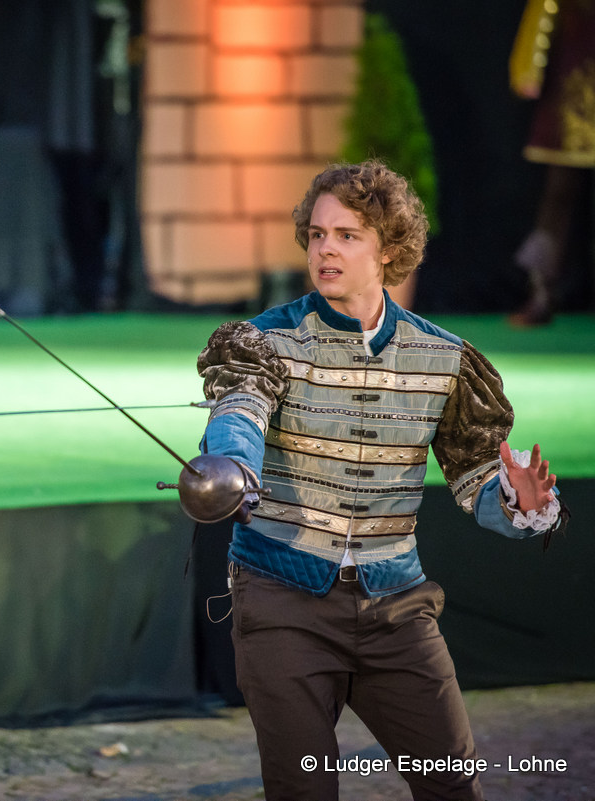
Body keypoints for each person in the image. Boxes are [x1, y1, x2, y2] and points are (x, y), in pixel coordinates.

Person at [196, 160, 566, 800]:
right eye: (317, 234)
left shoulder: (442, 356)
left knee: (453, 785)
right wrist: (233, 463)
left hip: (397, 608)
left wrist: (515, 500)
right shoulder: (263, 342)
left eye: (347, 235)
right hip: (283, 603)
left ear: (389, 249)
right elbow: (240, 413)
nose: (326, 250)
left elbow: (476, 476)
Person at [507, 0, 595, 326]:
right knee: (556, 203)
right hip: (570, 98)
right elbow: (541, 18)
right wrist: (528, 70)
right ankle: (541, 295)